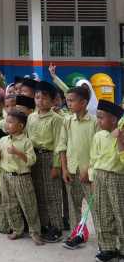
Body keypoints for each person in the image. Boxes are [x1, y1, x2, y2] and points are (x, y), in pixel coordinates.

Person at [57, 85, 99, 249]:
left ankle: (104, 241)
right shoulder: (67, 121)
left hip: (88, 173)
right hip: (71, 171)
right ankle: (77, 236)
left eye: (72, 101)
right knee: (73, 206)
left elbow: (98, 150)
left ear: (84, 102)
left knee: (94, 207)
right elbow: (62, 145)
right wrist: (64, 169)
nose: (69, 104)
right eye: (67, 101)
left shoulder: (95, 122)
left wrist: (89, 170)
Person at [0, 110, 44, 245]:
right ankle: (17, 229)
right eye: (7, 122)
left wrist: (17, 152)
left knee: (29, 206)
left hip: (21, 177)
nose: (7, 124)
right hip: (6, 176)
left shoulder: (26, 142)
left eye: (11, 122)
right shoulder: (3, 140)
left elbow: (32, 160)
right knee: (10, 205)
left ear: (20, 126)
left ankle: (35, 233)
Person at [27, 80, 63, 243]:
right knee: (38, 192)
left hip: (49, 157)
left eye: (44, 98)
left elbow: (59, 143)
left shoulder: (56, 119)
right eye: (37, 97)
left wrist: (56, 165)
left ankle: (56, 227)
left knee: (52, 194)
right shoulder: (31, 117)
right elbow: (27, 139)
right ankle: (43, 224)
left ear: (52, 100)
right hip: (34, 157)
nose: (40, 101)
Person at [88, 99, 124, 262]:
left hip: (117, 178)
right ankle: (108, 248)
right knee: (103, 214)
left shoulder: (121, 134)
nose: (98, 121)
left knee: (120, 214)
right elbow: (93, 160)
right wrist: (93, 181)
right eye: (98, 117)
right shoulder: (98, 136)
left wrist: (120, 140)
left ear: (114, 120)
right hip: (99, 176)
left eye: (101, 118)